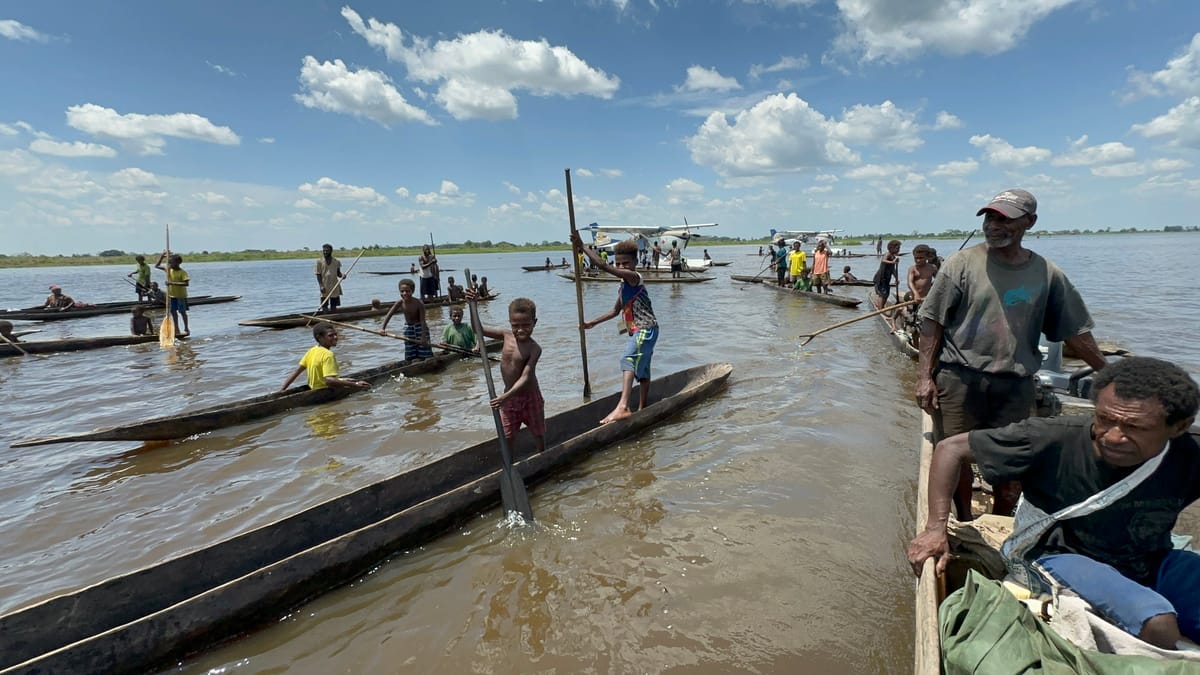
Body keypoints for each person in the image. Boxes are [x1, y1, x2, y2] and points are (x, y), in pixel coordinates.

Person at [908, 356, 1200, 650]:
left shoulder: (1189, 455)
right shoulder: (1052, 437)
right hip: (1063, 556)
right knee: (1158, 623)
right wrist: (935, 529)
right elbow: (950, 448)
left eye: (1133, 428)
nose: (1112, 436)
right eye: (1105, 419)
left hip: (1153, 557)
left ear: (1179, 427)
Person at [916, 188, 1109, 519]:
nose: (994, 225)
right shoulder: (960, 264)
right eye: (990, 217)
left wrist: (1109, 375)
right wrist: (924, 378)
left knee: (1012, 464)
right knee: (956, 457)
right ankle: (963, 522)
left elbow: (1076, 332)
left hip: (1016, 385)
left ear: (1030, 223)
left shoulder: (1046, 274)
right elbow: (931, 323)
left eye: (1005, 218)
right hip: (960, 380)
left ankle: (1003, 522)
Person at [573, 233, 659, 425]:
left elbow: (604, 267)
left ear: (635, 262)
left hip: (645, 328)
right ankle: (642, 409)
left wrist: (583, 247)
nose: (621, 267)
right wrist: (592, 323)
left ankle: (623, 406)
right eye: (618, 263)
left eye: (625, 263)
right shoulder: (623, 286)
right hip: (645, 330)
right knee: (643, 372)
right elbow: (614, 311)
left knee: (627, 359)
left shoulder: (634, 277)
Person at [466, 291, 545, 451]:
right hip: (509, 399)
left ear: (534, 322)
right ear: (510, 323)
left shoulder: (534, 348)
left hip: (530, 398)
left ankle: (542, 455)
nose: (521, 330)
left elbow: (526, 376)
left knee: (538, 433)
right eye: (515, 326)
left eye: (526, 325)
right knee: (507, 435)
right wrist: (472, 305)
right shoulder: (506, 336)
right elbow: (478, 329)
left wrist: (504, 397)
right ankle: (509, 464)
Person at [280, 323, 370, 392]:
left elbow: (296, 372)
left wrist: (282, 391)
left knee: (351, 379)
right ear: (319, 337)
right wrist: (356, 386)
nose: (335, 337)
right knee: (362, 385)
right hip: (324, 389)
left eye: (336, 334)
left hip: (314, 388)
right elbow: (329, 381)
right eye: (331, 335)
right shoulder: (328, 354)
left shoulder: (312, 350)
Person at [381, 278, 433, 361]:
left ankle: (426, 362)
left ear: (412, 291)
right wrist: (383, 328)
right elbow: (389, 315)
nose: (404, 293)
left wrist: (423, 336)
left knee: (424, 351)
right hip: (409, 328)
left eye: (407, 291)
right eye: (402, 291)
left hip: (420, 328)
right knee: (410, 351)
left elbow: (423, 321)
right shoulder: (400, 303)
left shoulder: (419, 303)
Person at [155, 252, 190, 336]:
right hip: (171, 296)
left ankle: (186, 327)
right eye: (169, 262)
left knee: (182, 312)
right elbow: (156, 266)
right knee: (173, 312)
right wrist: (161, 257)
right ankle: (176, 328)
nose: (169, 264)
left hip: (180, 296)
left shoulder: (182, 272)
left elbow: (186, 284)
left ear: (178, 263)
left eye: (171, 262)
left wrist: (172, 283)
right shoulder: (168, 269)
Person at [871, 240, 902, 330]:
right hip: (881, 278)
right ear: (891, 248)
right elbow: (884, 261)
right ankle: (881, 310)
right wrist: (893, 262)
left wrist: (896, 278)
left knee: (886, 294)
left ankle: (882, 307)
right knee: (882, 293)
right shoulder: (887, 254)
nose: (898, 249)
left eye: (899, 248)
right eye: (897, 248)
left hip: (887, 279)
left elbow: (893, 270)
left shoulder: (893, 257)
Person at [315, 244, 345, 311]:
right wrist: (321, 286)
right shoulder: (319, 262)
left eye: (327, 251)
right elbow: (318, 274)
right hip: (325, 286)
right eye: (324, 251)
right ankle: (325, 316)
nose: (325, 252)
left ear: (331, 251)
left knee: (333, 305)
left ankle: (333, 316)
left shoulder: (336, 261)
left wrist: (342, 275)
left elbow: (338, 273)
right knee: (324, 305)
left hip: (334, 286)